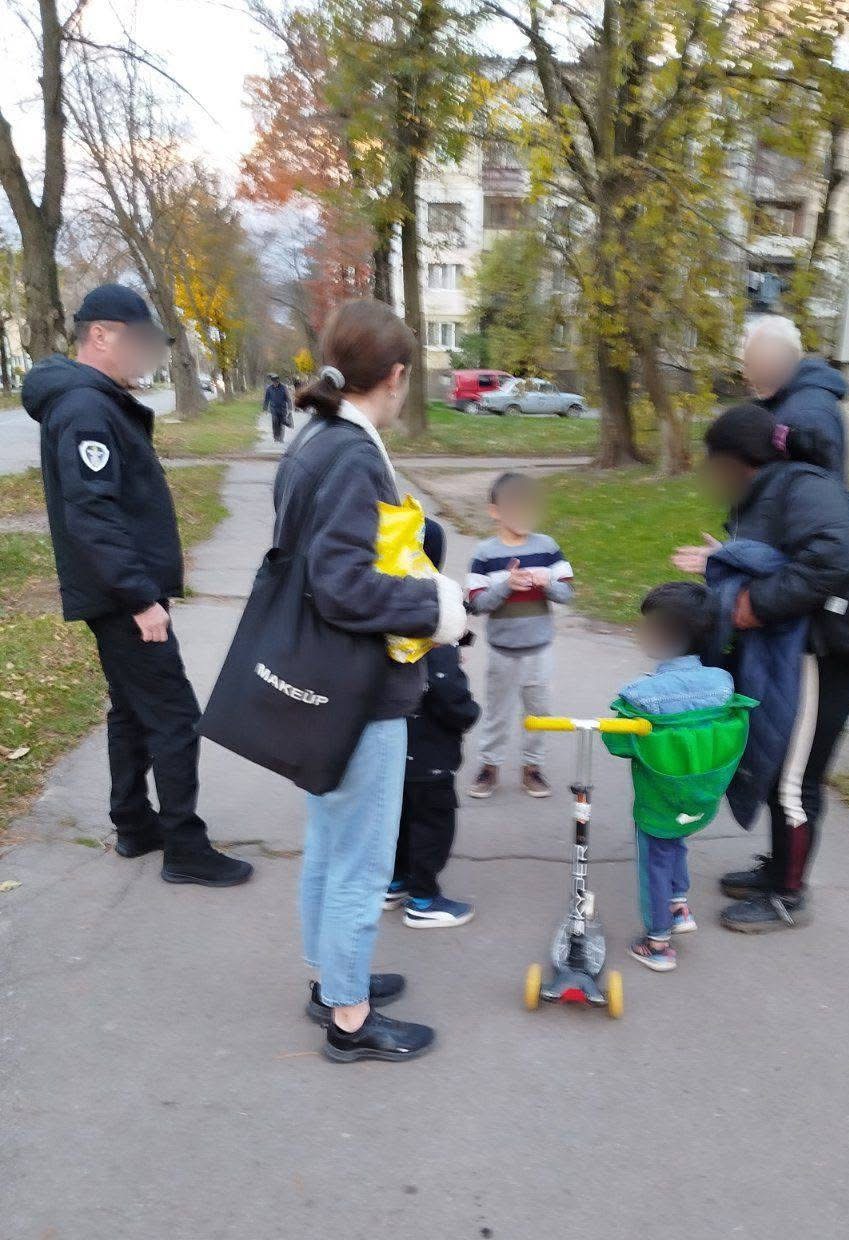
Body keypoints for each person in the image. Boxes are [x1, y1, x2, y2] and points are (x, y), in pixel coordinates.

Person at [282, 299, 467, 1063]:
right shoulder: (353, 453)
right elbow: (343, 585)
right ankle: (350, 1019)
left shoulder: (315, 437)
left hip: (320, 677)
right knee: (359, 857)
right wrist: (437, 607)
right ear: (394, 376)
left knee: (330, 843)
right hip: (358, 686)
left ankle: (333, 981)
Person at [22, 283, 251, 887]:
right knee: (175, 717)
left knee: (132, 710)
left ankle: (133, 823)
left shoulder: (92, 401)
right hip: (124, 597)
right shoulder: (84, 408)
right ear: (100, 335)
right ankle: (185, 848)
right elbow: (92, 515)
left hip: (119, 592)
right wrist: (141, 599)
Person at [672, 403, 849, 933]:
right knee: (780, 769)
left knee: (795, 781)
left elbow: (834, 554)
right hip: (795, 653)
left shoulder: (802, 487)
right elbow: (781, 555)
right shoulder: (771, 491)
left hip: (824, 658)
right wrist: (727, 558)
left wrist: (752, 605)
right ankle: (778, 870)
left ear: (737, 461)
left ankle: (788, 895)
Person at [612, 583, 735, 972]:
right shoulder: (722, 683)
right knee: (676, 842)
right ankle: (679, 905)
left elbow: (618, 744)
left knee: (655, 859)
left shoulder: (640, 693)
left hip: (658, 795)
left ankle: (658, 941)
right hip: (700, 791)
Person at [384, 517, 481, 928]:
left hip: (390, 745)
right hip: (430, 754)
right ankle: (423, 899)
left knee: (396, 818)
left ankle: (394, 882)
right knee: (431, 823)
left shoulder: (381, 607)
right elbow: (447, 690)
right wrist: (467, 715)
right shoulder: (433, 621)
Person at [466, 472, 573, 799]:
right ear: (495, 512)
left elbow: (566, 594)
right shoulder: (485, 553)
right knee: (497, 713)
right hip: (502, 650)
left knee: (538, 713)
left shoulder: (547, 548)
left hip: (539, 650)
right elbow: (477, 603)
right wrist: (506, 586)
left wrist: (546, 584)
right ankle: (490, 766)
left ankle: (532, 767)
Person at [743, 315, 849, 478]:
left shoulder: (807, 414)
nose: (746, 375)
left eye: (750, 364)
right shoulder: (788, 402)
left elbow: (817, 491)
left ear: (772, 361)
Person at [263, 373, 291, 443]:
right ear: (272, 382)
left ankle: (281, 438)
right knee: (275, 423)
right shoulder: (269, 388)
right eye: (273, 382)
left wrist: (290, 408)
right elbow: (266, 399)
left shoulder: (284, 388)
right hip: (273, 409)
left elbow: (288, 398)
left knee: (282, 423)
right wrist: (265, 408)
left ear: (278, 381)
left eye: (276, 382)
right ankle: (276, 438)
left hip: (282, 408)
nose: (275, 383)